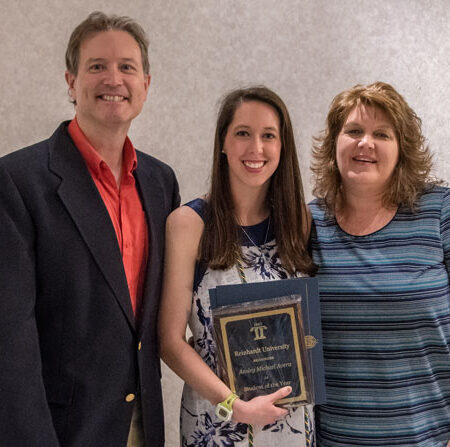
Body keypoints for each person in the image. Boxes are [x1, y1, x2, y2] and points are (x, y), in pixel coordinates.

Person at [0, 11, 179, 447]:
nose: (113, 79)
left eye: (126, 67)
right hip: (61, 431)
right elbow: (10, 337)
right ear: (71, 82)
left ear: (145, 85)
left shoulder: (160, 183)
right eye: (97, 66)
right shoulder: (17, 181)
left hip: (142, 425)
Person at [158, 86, 317, 446]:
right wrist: (234, 405)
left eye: (269, 136)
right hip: (220, 422)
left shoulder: (298, 220)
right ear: (223, 143)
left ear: (283, 146)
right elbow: (169, 341)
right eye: (243, 133)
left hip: (292, 425)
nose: (256, 148)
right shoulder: (189, 224)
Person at [310, 81, 450, 447]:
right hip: (334, 439)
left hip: (430, 439)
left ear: (402, 149)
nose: (365, 143)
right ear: (334, 144)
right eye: (354, 131)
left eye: (382, 134)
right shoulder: (307, 223)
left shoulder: (440, 210)